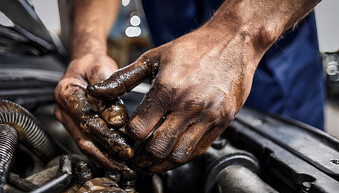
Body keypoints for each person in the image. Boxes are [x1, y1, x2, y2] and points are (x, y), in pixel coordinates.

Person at [54, 0, 324, 175]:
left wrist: (238, 35)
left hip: (276, 74)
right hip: (177, 76)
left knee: (286, 181)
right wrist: (88, 49)